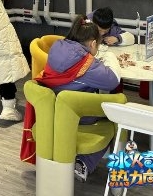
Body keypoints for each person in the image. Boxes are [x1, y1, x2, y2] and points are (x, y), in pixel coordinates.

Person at [39, 15, 121, 182]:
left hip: (52, 110)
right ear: (93, 44)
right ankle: (84, 162)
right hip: (76, 115)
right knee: (115, 118)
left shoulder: (58, 47)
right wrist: (110, 57)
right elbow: (113, 80)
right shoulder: (86, 64)